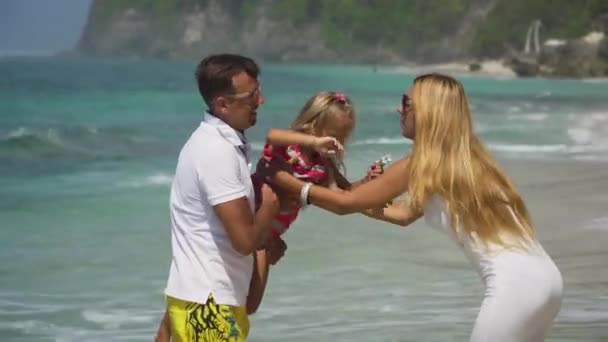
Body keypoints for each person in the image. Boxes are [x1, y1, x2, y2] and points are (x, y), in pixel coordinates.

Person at [261, 73, 563, 342]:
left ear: (427, 111)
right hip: (547, 280)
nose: (399, 109)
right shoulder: (467, 159)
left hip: (515, 286)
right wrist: (356, 192)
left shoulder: (421, 163)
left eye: (406, 103)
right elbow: (403, 214)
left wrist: (287, 181)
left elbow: (345, 205)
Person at [156, 53, 285, 342]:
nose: (260, 101)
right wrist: (271, 204)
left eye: (259, 91)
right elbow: (243, 243)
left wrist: (263, 239)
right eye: (251, 96)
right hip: (208, 309)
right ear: (222, 105)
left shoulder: (222, 144)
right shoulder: (217, 152)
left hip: (203, 301)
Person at [252, 91, 382, 251]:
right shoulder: (288, 147)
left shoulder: (323, 165)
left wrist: (367, 181)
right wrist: (314, 142)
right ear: (312, 126)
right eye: (334, 136)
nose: (338, 143)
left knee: (257, 271)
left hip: (276, 227)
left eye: (343, 138)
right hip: (253, 213)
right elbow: (272, 135)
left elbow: (343, 193)